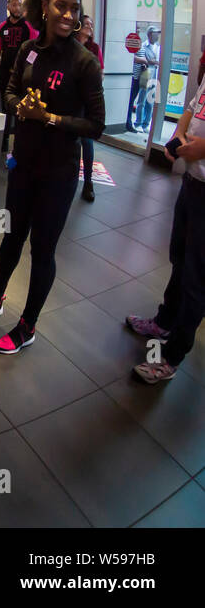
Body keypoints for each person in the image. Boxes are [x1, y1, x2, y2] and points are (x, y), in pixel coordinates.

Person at [0, 0, 104, 355]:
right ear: (44, 6)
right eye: (61, 6)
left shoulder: (84, 62)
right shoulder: (27, 48)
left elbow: (96, 124)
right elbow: (9, 89)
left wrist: (50, 118)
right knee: (11, 235)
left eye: (74, 8)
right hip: (22, 165)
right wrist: (18, 106)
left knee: (43, 250)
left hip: (58, 173)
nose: (68, 15)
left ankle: (28, 325)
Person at [126, 72, 205, 384]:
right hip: (192, 182)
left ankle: (172, 357)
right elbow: (191, 106)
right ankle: (164, 321)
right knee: (180, 259)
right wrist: (180, 137)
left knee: (197, 279)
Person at [0, 0, 37, 153]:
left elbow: (36, 50)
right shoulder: (2, 27)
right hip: (4, 74)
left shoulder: (29, 27)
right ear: (9, 7)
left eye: (20, 5)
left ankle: (20, 144)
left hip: (23, 76)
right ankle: (4, 143)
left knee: (21, 110)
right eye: (14, 5)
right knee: (6, 108)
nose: (17, 8)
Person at [75, 14, 104, 201]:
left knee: (87, 141)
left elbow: (100, 73)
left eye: (91, 24)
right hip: (69, 99)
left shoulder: (94, 48)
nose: (89, 27)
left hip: (86, 101)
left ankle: (88, 182)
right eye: (86, 23)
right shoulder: (69, 46)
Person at [129, 28, 161, 134]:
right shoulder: (143, 46)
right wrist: (149, 61)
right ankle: (138, 123)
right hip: (145, 74)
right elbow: (142, 60)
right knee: (141, 100)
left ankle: (146, 124)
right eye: (156, 33)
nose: (158, 36)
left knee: (151, 101)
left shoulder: (159, 47)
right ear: (150, 34)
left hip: (155, 75)